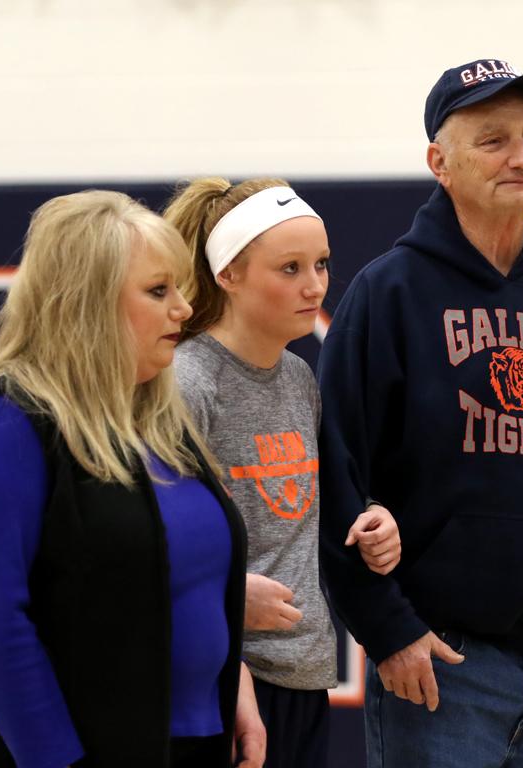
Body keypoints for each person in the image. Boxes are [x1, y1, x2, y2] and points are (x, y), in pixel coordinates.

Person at [317, 59, 523, 767]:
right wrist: (387, 630)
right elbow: (336, 476)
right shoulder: (389, 293)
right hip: (441, 668)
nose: (521, 157)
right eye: (494, 140)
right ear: (439, 163)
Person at [0, 190, 266, 768]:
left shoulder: (157, 422)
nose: (184, 310)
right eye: (159, 291)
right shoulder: (5, 426)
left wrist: (229, 690)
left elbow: (185, 590)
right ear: (88, 303)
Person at [163, 178, 402, 768]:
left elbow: (306, 508)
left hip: (303, 672)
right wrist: (219, 597)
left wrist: (374, 518)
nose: (315, 285)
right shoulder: (188, 382)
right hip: (222, 670)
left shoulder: (298, 377)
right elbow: (148, 535)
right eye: (290, 268)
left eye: (321, 264)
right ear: (228, 274)